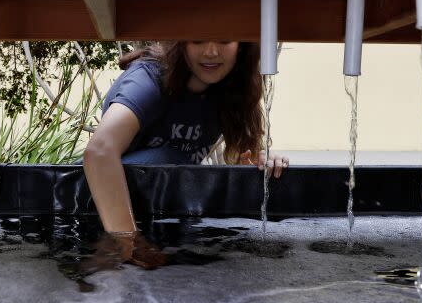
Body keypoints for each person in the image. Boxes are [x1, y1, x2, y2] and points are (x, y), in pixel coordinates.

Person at [82, 41, 289, 268]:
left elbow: (242, 156)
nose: (211, 51)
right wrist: (127, 241)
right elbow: (100, 151)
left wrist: (260, 161)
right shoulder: (149, 79)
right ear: (180, 44)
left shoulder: (229, 91)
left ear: (241, 45)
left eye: (224, 39)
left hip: (158, 213)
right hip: (94, 208)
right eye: (198, 39)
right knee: (174, 159)